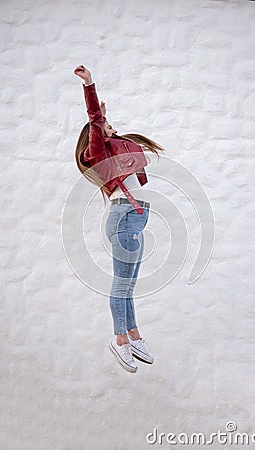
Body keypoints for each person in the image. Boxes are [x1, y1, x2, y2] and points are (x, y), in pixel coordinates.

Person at [74, 65, 165, 373]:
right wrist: (90, 86)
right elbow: (96, 123)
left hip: (134, 217)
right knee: (121, 284)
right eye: (106, 125)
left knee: (129, 285)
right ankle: (120, 340)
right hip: (124, 216)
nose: (111, 127)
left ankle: (134, 334)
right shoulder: (98, 151)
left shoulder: (116, 150)